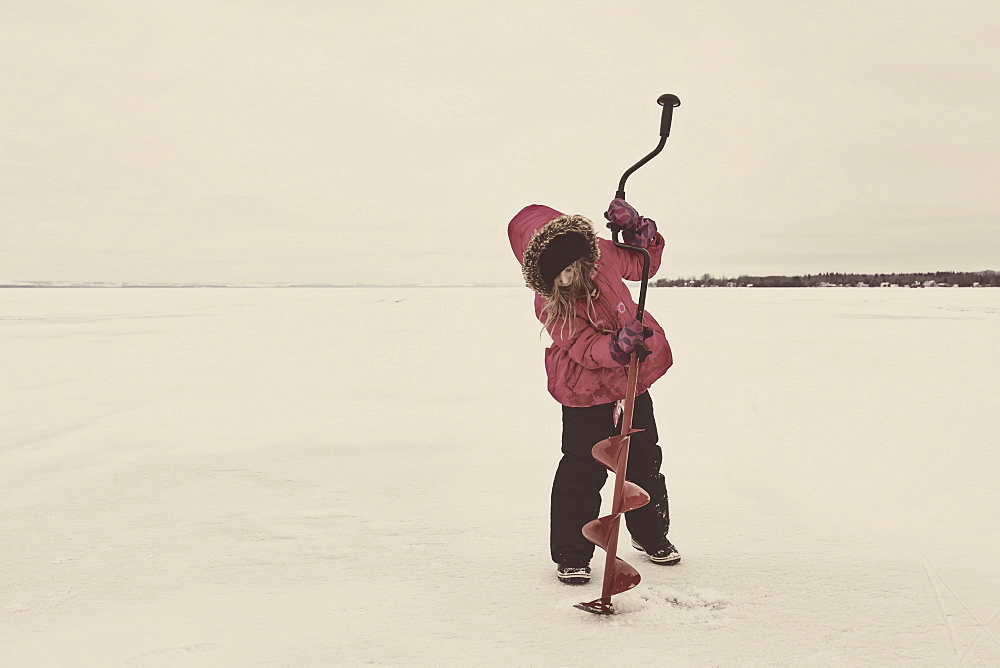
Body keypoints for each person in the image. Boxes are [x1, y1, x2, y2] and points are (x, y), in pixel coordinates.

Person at [507, 199, 680, 585]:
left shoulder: (601, 253)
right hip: (585, 389)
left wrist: (639, 232)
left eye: (571, 267)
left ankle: (651, 534)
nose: (570, 279)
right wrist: (615, 347)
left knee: (644, 460)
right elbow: (584, 345)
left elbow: (642, 262)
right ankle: (572, 552)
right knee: (582, 470)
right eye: (559, 276)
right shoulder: (550, 303)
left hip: (633, 379)